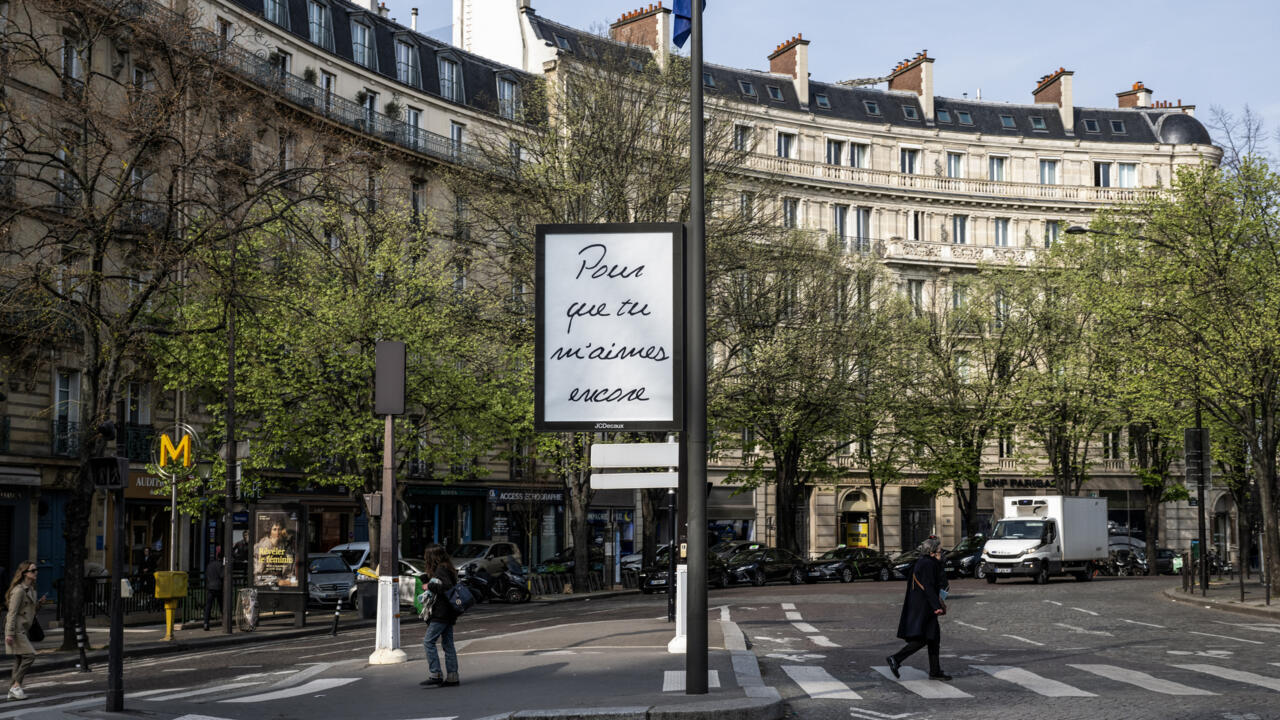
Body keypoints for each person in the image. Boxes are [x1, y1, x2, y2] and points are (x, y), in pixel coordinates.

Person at [886, 537, 951, 681]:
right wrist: (936, 606)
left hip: (922, 605)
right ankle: (896, 659)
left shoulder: (923, 562)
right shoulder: (928, 564)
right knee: (925, 638)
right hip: (925, 607)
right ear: (932, 551)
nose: (941, 551)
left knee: (933, 638)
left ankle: (935, 670)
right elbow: (928, 586)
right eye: (939, 549)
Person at [4, 561, 47, 700]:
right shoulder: (18, 591)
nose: (36, 572)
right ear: (25, 573)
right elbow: (12, 613)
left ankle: (13, 690)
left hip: (23, 629)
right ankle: (15, 686)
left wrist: (39, 604)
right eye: (33, 570)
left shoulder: (32, 590)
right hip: (15, 630)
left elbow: (31, 612)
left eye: (36, 570)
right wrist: (9, 634)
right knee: (30, 656)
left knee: (19, 658)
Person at [418, 544, 460, 688]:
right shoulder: (447, 568)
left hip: (441, 613)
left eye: (426, 555)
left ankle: (435, 674)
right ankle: (452, 677)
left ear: (432, 557)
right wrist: (427, 580)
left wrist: (429, 586)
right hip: (449, 612)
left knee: (428, 642)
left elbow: (445, 587)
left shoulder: (441, 569)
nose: (425, 558)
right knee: (448, 644)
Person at [203, 548, 224, 631]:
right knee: (222, 606)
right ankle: (224, 621)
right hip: (218, 587)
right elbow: (222, 576)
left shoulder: (210, 565)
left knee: (208, 606)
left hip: (210, 588)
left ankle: (206, 623)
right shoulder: (220, 565)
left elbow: (206, 575)